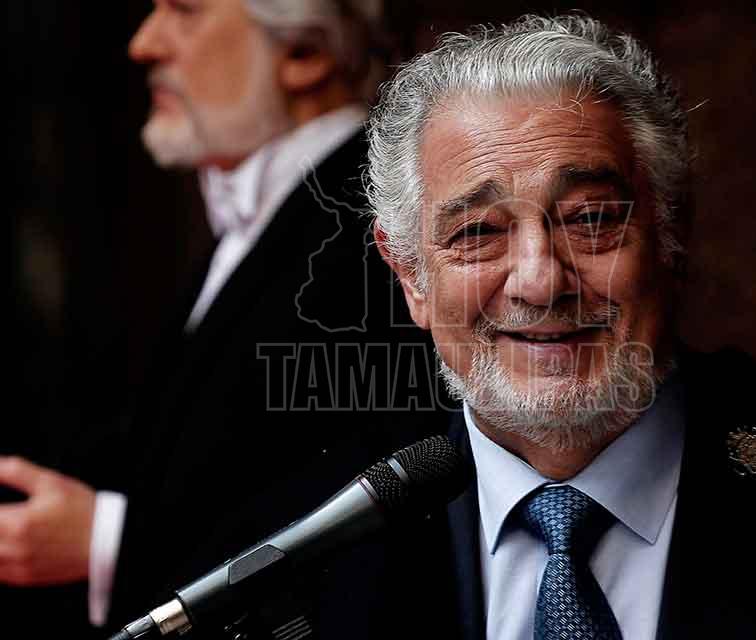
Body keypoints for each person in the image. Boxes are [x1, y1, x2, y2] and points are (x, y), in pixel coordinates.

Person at [366, 14, 756, 638]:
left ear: (672, 235)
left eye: (591, 220)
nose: (540, 283)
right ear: (410, 277)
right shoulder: (323, 548)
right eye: (479, 232)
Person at [0, 0, 438, 636]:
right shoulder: (260, 217)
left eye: (185, 10)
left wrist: (106, 540)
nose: (144, 43)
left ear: (304, 55)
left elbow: (379, 497)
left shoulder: (376, 224)